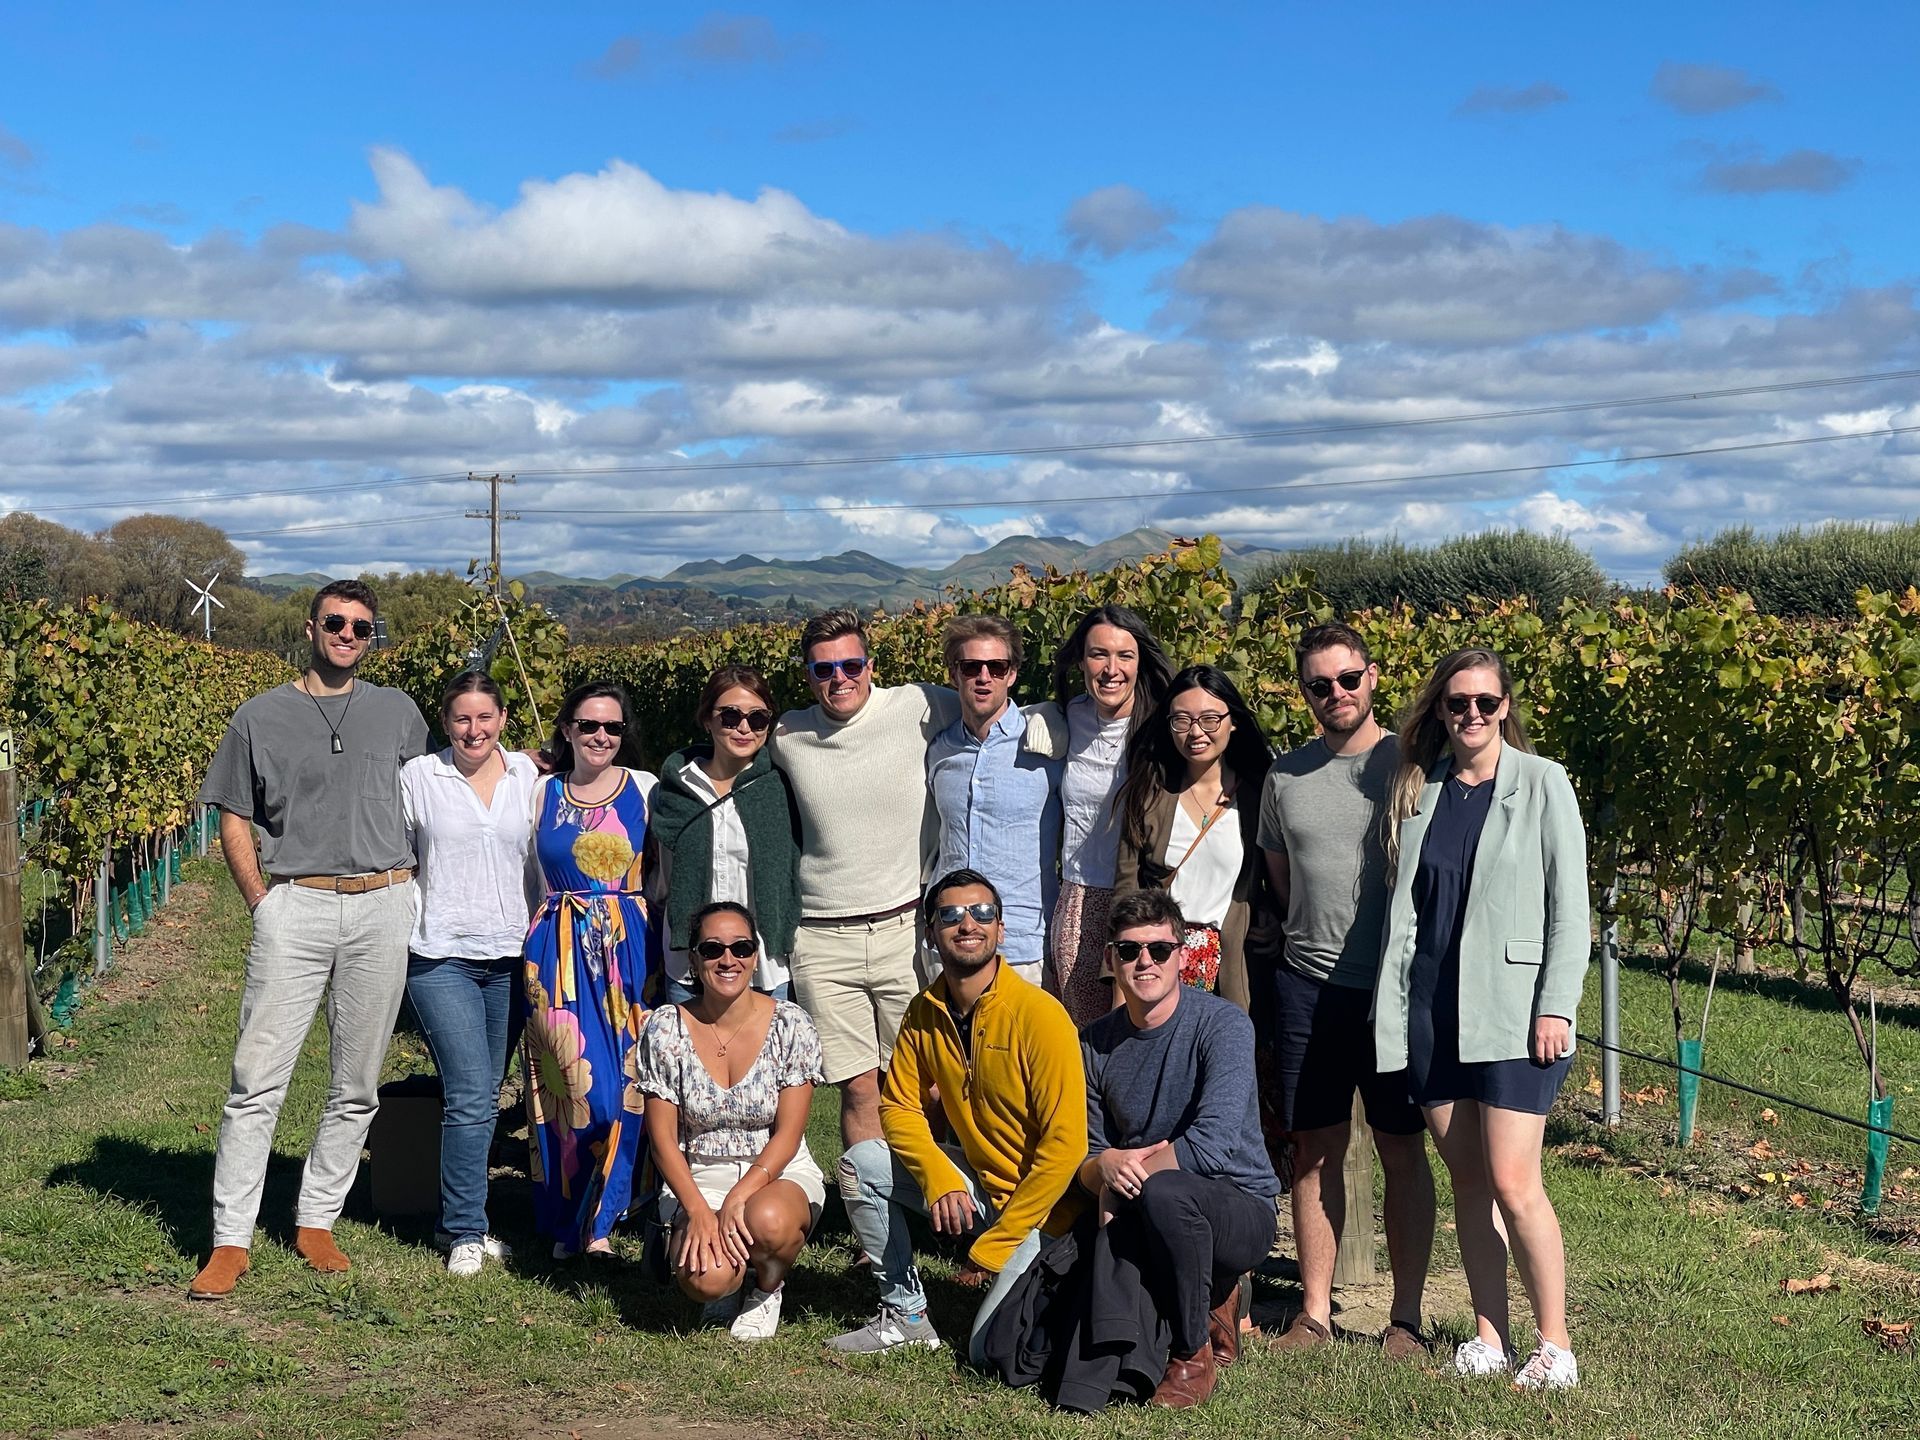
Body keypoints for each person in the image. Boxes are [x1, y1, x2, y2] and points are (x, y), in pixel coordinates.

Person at [189, 578, 430, 1299]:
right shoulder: (259, 717)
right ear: (310, 627)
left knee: (356, 1083)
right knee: (255, 1079)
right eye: (337, 622)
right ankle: (231, 1239)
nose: (349, 635)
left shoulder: (398, 712)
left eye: (362, 627)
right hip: (297, 904)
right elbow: (232, 813)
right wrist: (261, 901)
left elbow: (436, 790)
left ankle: (316, 1218)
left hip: (384, 903)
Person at [1374, 647, 1590, 1389]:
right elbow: (1411, 915)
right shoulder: (1423, 790)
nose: (1472, 715)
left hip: (1515, 1012)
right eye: (1457, 703)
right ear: (1439, 710)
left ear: (1506, 708)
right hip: (1433, 1010)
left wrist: (1556, 1003)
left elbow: (1571, 909)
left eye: (1486, 704)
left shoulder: (1541, 783)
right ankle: (1490, 1335)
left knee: (1512, 1179)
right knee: (1468, 1178)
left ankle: (1554, 1343)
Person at [1259, 623, 1435, 1354]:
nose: (1336, 694)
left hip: (1393, 992)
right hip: (1308, 987)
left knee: (1401, 1147)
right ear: (1304, 693)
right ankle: (1315, 1313)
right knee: (1315, 1148)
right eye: (1319, 685)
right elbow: (1282, 880)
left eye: (1348, 679)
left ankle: (1405, 1319)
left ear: (1372, 678)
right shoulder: (1284, 777)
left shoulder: (1416, 766)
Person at [831, 869, 1086, 1359]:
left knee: (989, 1352)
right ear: (931, 933)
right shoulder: (923, 1011)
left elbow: (1066, 1146)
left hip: (1044, 1215)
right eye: (950, 915)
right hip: (978, 1190)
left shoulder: (1040, 1014)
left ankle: (1035, 1289)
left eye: (982, 912)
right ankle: (905, 1316)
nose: (967, 923)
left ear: (1001, 929)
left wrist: (996, 1246)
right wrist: (937, 1178)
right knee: (860, 1164)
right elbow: (899, 1106)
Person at [1079, 889, 1281, 1409]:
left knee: (1168, 1193)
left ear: (1183, 955)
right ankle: (1203, 1305)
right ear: (1110, 960)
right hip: (1142, 1199)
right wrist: (1104, 1167)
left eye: (1159, 950)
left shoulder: (1224, 1024)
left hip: (1238, 1207)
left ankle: (1192, 1357)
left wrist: (1125, 1173)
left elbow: (1211, 1148)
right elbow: (1087, 1154)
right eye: (1129, 951)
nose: (1144, 961)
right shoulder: (1093, 1043)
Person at [768, 608, 959, 1152]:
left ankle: (933, 1208)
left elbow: (989, 706)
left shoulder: (919, 705)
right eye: (824, 670)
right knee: (858, 1091)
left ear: (870, 666)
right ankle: (875, 1226)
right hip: (823, 939)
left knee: (926, 1084)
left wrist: (1052, 721)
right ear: (808, 676)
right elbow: (725, 748)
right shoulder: (787, 733)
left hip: (906, 931)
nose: (839, 679)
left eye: (851, 665)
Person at [628, 902, 825, 1341]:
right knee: (707, 1278)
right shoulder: (666, 1027)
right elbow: (662, 1141)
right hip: (698, 1172)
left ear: (756, 957)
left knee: (767, 1221)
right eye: (713, 948)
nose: (728, 959)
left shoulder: (790, 1023)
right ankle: (723, 1280)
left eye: (741, 947)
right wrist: (697, 1210)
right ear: (694, 959)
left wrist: (739, 1196)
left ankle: (767, 1286)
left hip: (775, 1168)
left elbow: (789, 1134)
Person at [400, 671, 542, 1276]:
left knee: (485, 1092)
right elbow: (397, 859)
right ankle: (463, 1229)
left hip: (512, 955)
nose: (473, 729)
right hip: (440, 954)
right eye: (462, 718)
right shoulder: (419, 778)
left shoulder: (529, 778)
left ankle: (466, 1218)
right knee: (468, 1092)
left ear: (503, 720)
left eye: (485, 718)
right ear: (445, 722)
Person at [523, 680, 657, 1259]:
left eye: (613, 727)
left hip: (626, 947)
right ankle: (568, 1222)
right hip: (554, 950)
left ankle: (603, 1218)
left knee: (621, 1089)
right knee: (559, 1090)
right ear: (568, 730)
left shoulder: (645, 789)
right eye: (589, 725)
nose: (601, 736)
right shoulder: (541, 792)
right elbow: (529, 871)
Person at [1112, 665, 1274, 1011]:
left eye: (1210, 719)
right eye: (1182, 720)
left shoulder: (1258, 796)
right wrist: (1118, 987)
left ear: (1234, 721)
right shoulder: (1149, 794)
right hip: (1159, 960)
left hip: (1230, 966)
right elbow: (1126, 890)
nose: (1195, 732)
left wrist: (1273, 917)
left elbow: (1279, 872)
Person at [1048, 605, 1173, 1025]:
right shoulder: (1068, 716)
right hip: (1079, 900)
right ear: (1081, 660)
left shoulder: (1164, 728)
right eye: (1099, 654)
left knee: (1141, 1029)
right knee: (1082, 1034)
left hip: (1143, 900)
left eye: (1125, 655)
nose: (1111, 669)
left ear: (1141, 661)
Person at [925, 615, 1063, 984]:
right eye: (971, 667)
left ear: (1012, 674)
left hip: (1023, 947)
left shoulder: (1047, 745)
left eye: (996, 667)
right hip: (950, 943)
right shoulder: (939, 751)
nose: (983, 677)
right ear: (954, 674)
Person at [652, 665, 800, 1007]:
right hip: (690, 968)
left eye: (758, 718)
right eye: (730, 716)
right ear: (707, 719)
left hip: (763, 968)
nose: (744, 727)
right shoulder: (674, 791)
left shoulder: (780, 789)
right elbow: (663, 880)